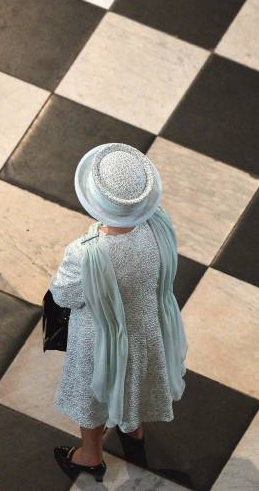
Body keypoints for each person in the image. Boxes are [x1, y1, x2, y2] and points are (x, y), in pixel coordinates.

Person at [48, 143, 187, 481]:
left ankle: (90, 456)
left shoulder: (88, 253)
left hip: (101, 339)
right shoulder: (159, 224)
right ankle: (134, 436)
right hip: (150, 327)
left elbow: (64, 295)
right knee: (135, 383)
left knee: (92, 397)